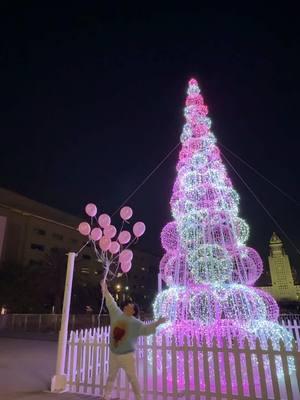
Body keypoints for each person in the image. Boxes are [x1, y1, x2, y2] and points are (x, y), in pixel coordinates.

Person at [100, 280, 166, 400]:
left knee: (132, 377)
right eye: (127, 305)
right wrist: (104, 289)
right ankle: (106, 396)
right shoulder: (116, 313)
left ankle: (138, 397)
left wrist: (158, 322)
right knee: (111, 376)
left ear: (133, 311)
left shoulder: (136, 323)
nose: (127, 305)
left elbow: (146, 329)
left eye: (130, 305)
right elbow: (110, 302)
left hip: (127, 356)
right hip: (113, 353)